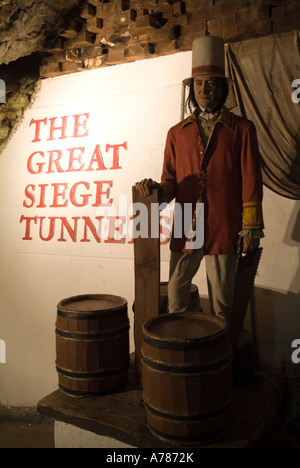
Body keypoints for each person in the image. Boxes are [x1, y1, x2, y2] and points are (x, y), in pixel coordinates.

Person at [135, 36, 264, 323]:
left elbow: (251, 179)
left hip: (224, 223)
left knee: (222, 306)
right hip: (184, 224)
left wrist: (251, 228)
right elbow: (170, 180)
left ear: (222, 88)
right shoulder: (176, 132)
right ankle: (181, 364)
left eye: (210, 83)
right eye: (198, 83)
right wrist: (155, 191)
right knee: (176, 300)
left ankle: (220, 362)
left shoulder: (242, 129)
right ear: (191, 89)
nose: (203, 89)